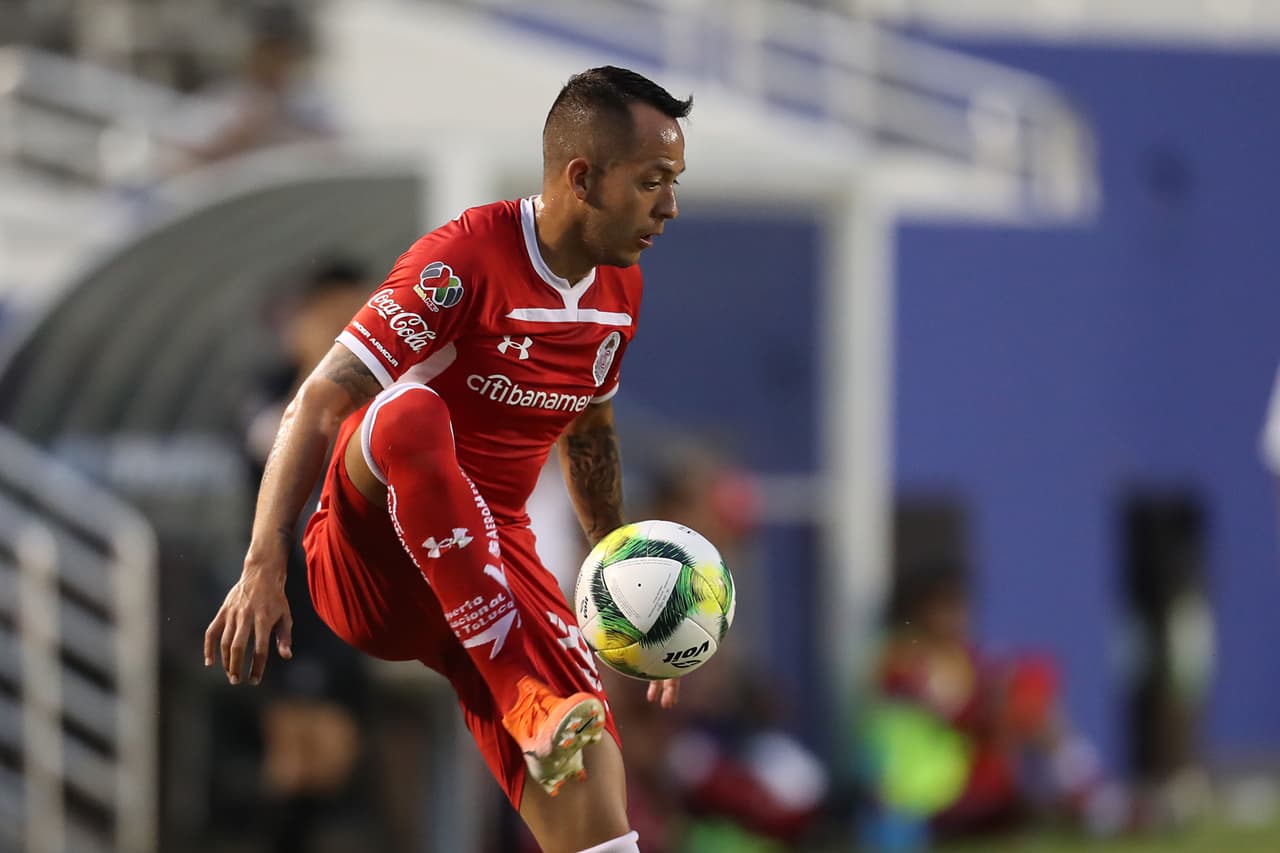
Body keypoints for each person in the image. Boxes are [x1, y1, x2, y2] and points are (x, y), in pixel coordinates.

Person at [204, 66, 691, 853]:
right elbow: (319, 398)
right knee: (408, 413)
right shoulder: (465, 257)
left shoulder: (620, 290)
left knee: (595, 787)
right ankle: (520, 692)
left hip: (493, 559)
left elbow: (589, 428)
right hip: (370, 557)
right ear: (582, 178)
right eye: (652, 181)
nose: (669, 206)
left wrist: (624, 584)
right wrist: (263, 564)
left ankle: (531, 701)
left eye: (674, 182)